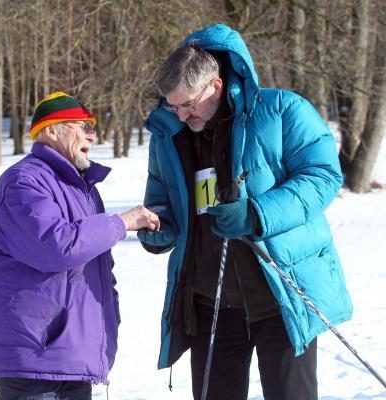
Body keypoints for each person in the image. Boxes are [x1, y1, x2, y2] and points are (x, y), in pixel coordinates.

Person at [138, 24, 352, 400]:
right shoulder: (169, 135)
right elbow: (161, 197)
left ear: (215, 86)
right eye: (174, 106)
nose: (182, 114)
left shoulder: (282, 109)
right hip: (210, 300)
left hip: (281, 292)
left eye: (188, 104)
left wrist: (257, 213)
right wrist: (159, 226)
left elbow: (322, 176)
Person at [0, 91, 160, 400]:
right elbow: (57, 246)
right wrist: (121, 222)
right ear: (51, 131)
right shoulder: (23, 183)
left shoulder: (82, 188)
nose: (93, 134)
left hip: (72, 358)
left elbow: (95, 267)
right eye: (84, 126)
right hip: (34, 361)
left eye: (92, 126)